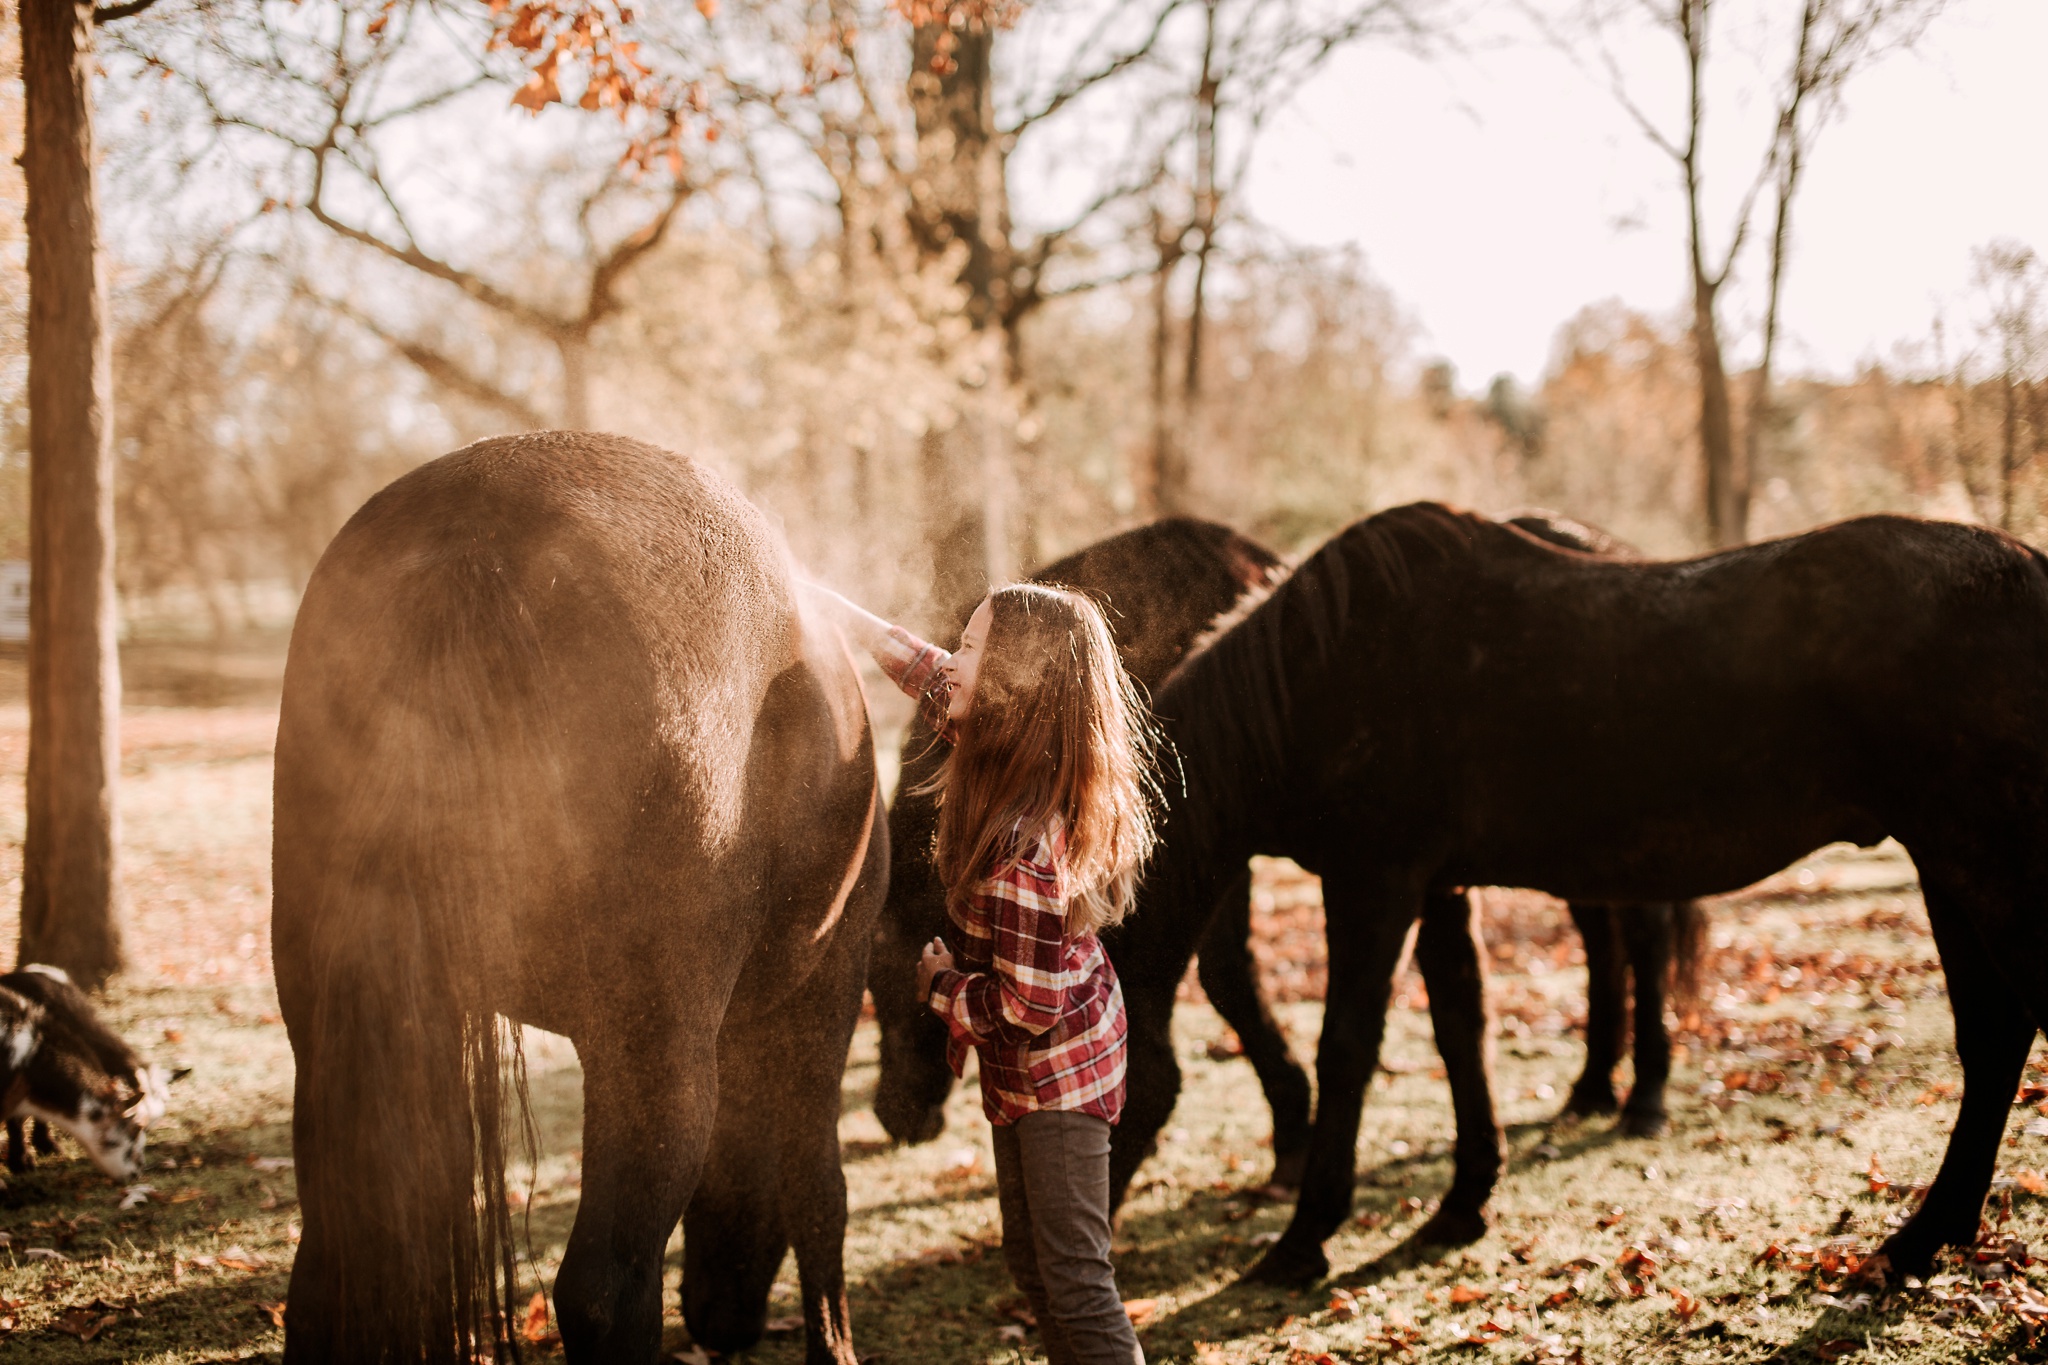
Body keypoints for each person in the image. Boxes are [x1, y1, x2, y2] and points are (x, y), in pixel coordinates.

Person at [806, 580, 1154, 1365]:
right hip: (1028, 1075)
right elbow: (921, 666)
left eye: (969, 647)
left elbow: (1027, 1007)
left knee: (1074, 1279)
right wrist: (831, 605)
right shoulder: (999, 741)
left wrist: (938, 987)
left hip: (1059, 1078)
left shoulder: (1024, 853)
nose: (950, 660)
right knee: (1034, 1264)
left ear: (1009, 686)